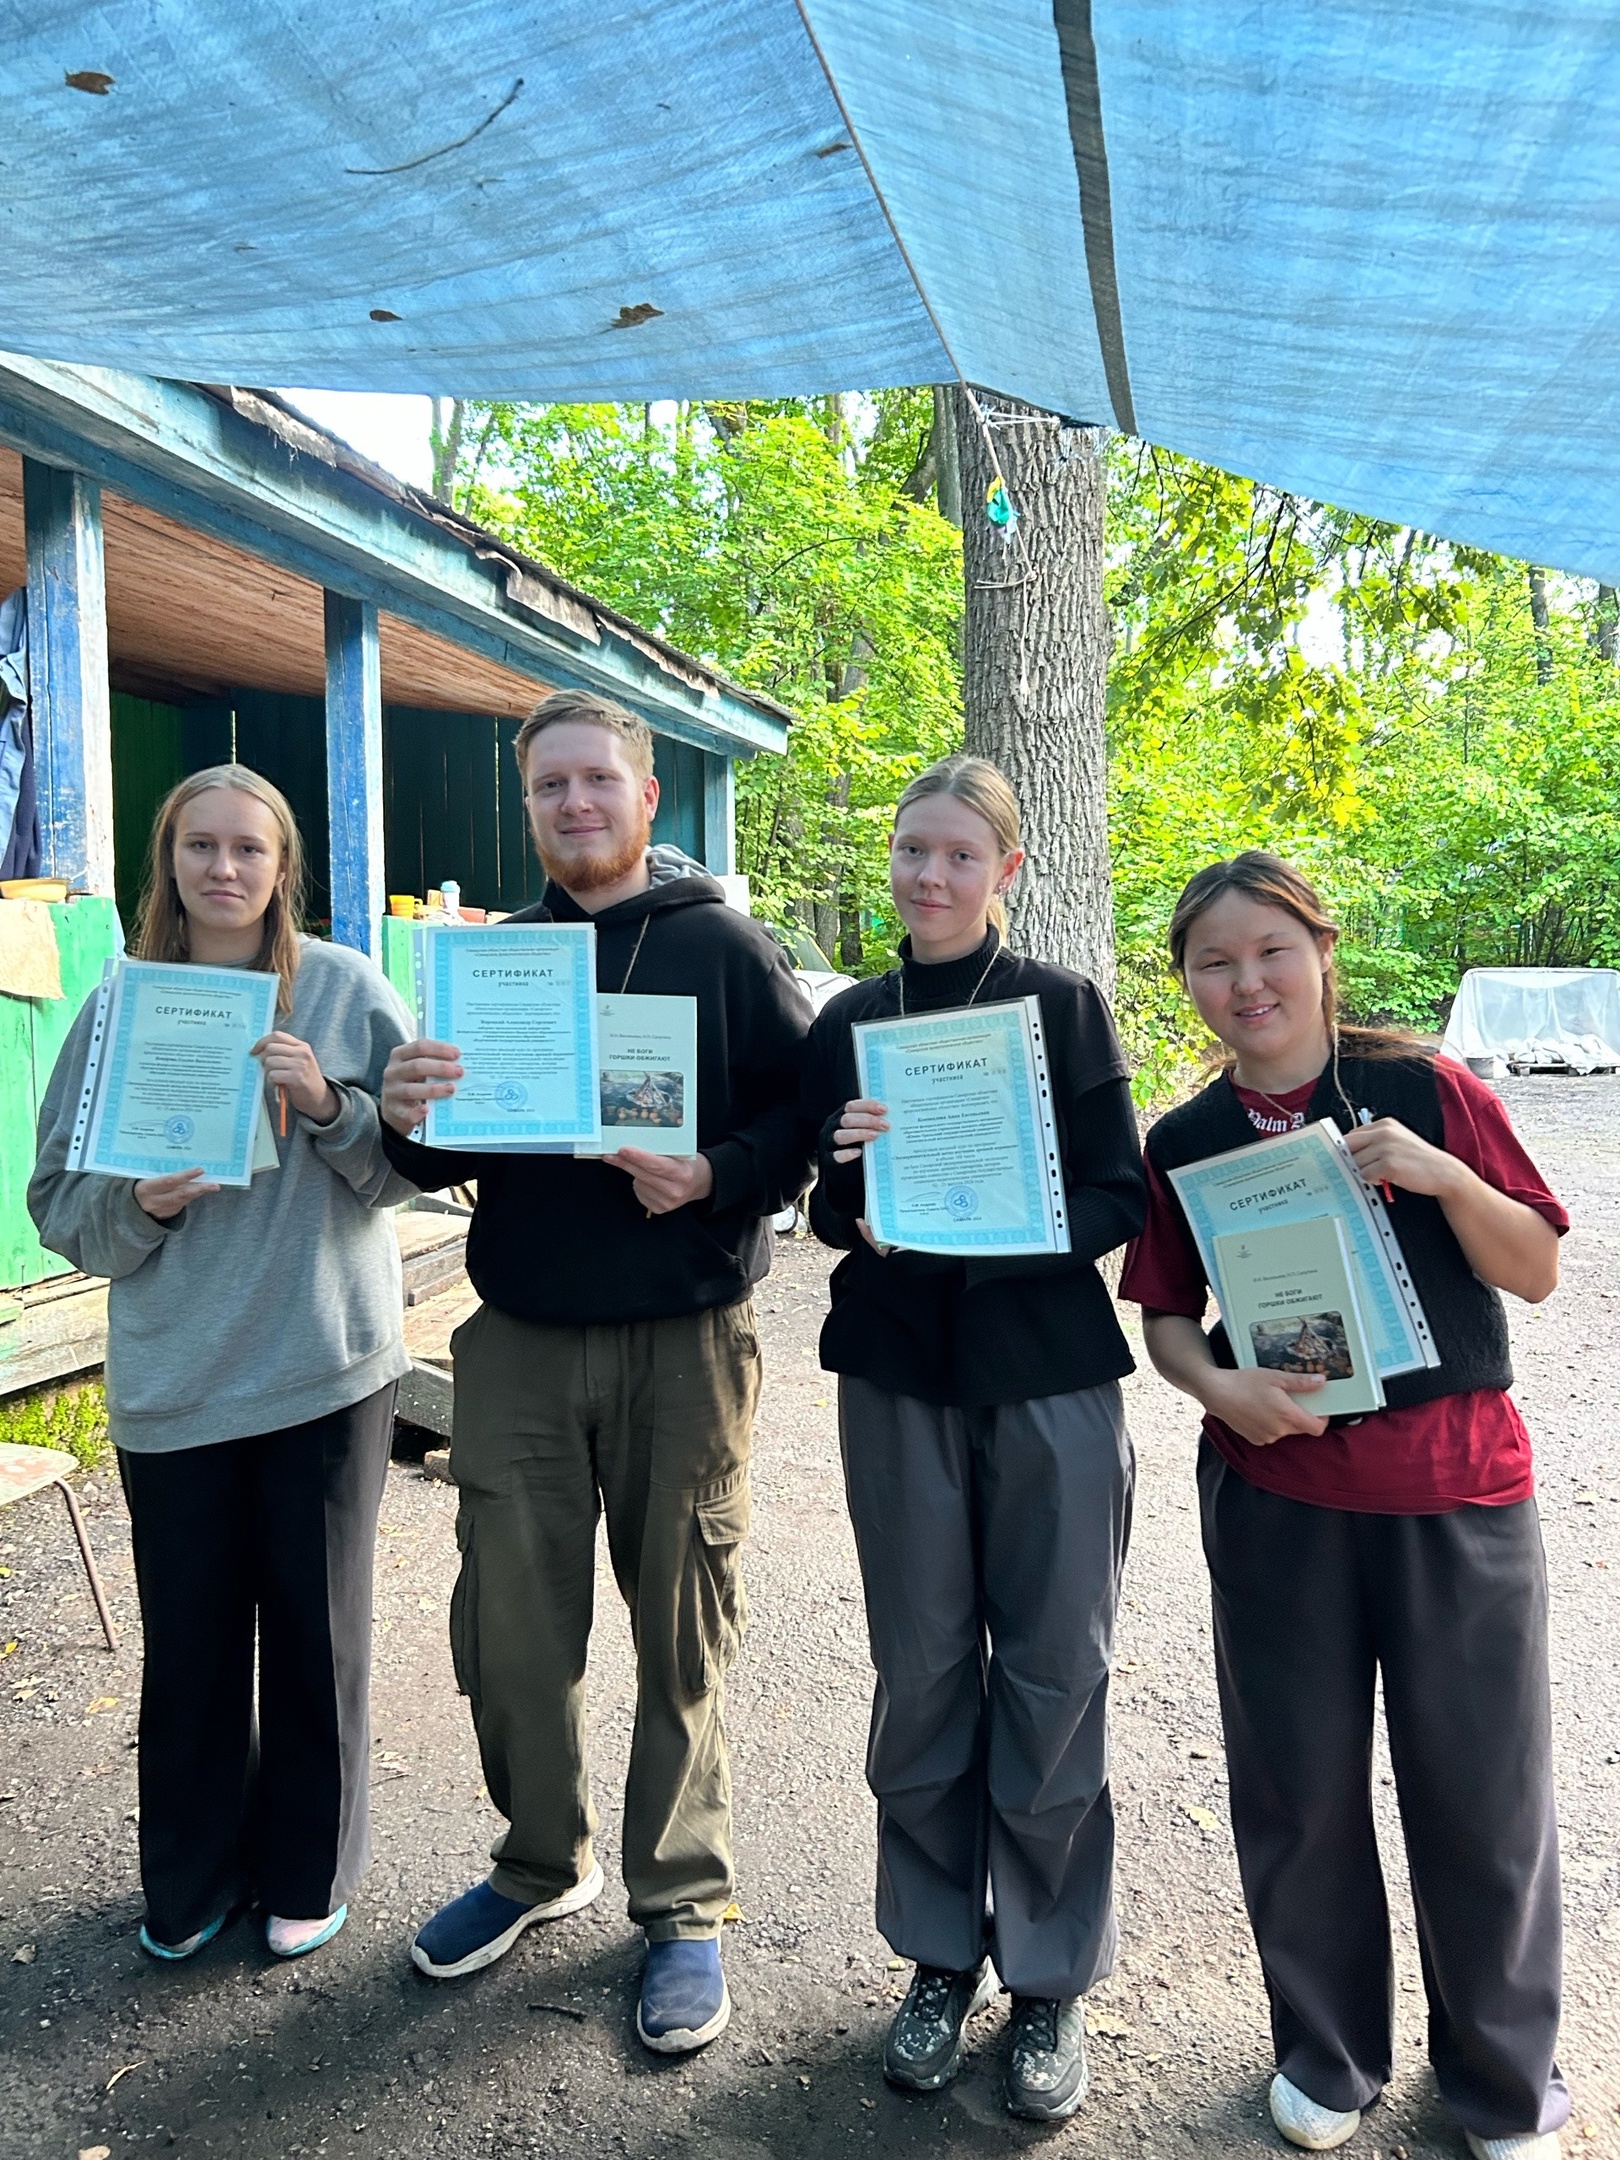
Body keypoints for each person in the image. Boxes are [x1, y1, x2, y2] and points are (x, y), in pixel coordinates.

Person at [1119, 851, 1568, 2160]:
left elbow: (1533, 1266)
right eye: (1214, 960)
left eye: (1270, 950)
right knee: (1298, 1790)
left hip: (1453, 1494)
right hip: (1279, 1500)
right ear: (1190, 984)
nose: (1245, 981)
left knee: (1481, 1800)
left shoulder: (1420, 1088)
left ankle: (1502, 2083)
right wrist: (1220, 1389)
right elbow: (1163, 1317)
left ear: (1321, 951)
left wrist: (1442, 1177)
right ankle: (1326, 2052)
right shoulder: (1188, 1141)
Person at [379, 688, 809, 2054]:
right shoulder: (498, 966)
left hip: (685, 1339)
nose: (574, 805)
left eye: (595, 782)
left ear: (643, 798)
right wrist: (403, 1117)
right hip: (517, 1344)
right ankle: (536, 1861)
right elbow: (447, 1156)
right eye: (548, 787)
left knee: (683, 1619)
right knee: (511, 1630)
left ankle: (681, 1901)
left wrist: (720, 1175)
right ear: (532, 808)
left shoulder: (723, 948)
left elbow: (799, 1118)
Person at [799, 755, 1146, 2121]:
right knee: (925, 1672)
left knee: (1057, 1672)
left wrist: (987, 1236)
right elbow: (824, 1203)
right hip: (895, 1376)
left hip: (1045, 1375)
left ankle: (1050, 1976)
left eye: (957, 856)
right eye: (909, 852)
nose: (928, 877)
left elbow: (1116, 1194)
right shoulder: (854, 1020)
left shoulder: (1059, 1010)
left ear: (1006, 871)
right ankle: (943, 1954)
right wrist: (856, 1200)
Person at [30, 765, 417, 1962]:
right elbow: (55, 1202)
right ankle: (188, 1879)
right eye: (202, 847)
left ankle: (307, 1868)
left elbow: (422, 1166)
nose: (226, 869)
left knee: (317, 1639)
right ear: (170, 863)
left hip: (324, 1372)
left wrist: (340, 1107)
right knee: (191, 1651)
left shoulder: (346, 990)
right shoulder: (119, 1009)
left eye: (250, 849)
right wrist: (138, 1206)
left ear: (283, 866)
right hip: (176, 1386)